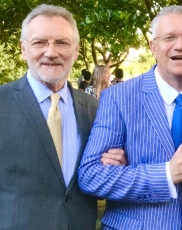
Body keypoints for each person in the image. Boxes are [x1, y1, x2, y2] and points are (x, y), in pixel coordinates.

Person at [78, 5, 182, 229]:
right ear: (153, 46)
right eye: (169, 37)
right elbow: (91, 176)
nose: (180, 45)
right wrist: (165, 175)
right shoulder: (118, 98)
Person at [0, 4, 124, 229]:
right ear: (23, 49)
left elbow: (104, 171)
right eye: (39, 42)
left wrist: (118, 162)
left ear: (76, 50)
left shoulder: (95, 109)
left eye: (62, 43)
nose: (51, 52)